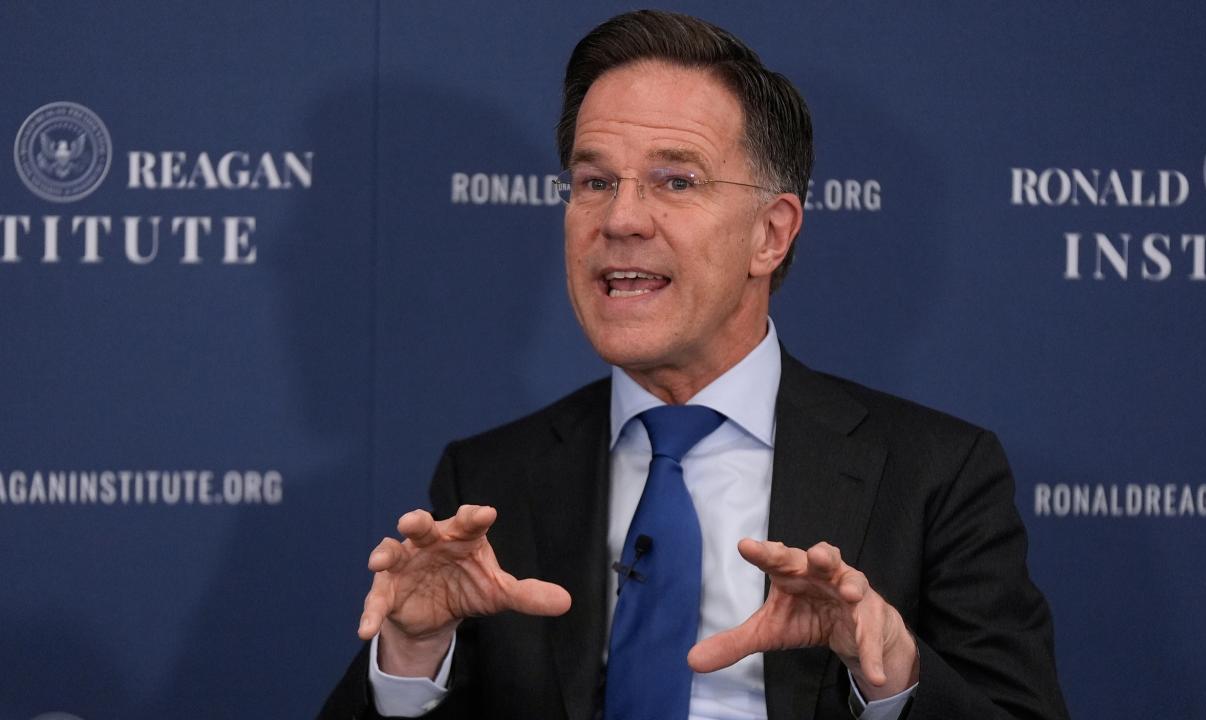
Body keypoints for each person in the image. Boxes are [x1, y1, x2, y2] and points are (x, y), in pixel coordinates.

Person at [321, 10, 1068, 720]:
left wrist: (894, 674)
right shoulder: (488, 479)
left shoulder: (936, 474)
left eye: (676, 181)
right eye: (595, 182)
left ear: (770, 234)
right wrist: (413, 653)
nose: (620, 219)